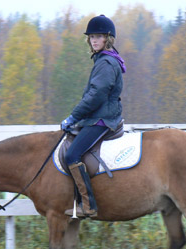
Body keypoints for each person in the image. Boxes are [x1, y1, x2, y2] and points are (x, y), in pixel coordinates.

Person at [61, 14, 126, 218]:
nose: (94, 40)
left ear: (108, 39)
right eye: (91, 37)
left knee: (72, 155)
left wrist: (73, 117)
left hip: (102, 119)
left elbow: (95, 96)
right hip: (99, 116)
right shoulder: (104, 60)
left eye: (98, 36)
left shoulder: (106, 63)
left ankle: (88, 205)